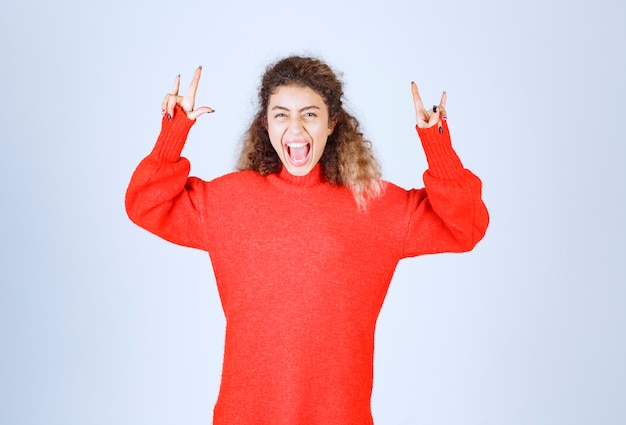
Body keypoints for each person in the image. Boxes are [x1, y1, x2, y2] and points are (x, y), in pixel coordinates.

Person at [126, 56, 489, 425]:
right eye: (281, 114)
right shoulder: (230, 202)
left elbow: (466, 226)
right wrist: (172, 134)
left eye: (310, 114)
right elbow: (144, 204)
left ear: (332, 122)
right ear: (265, 123)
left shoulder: (374, 205)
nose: (295, 128)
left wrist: (439, 149)